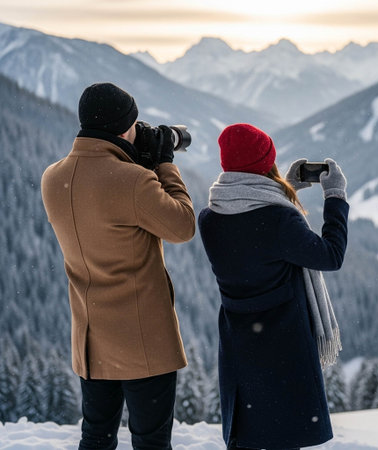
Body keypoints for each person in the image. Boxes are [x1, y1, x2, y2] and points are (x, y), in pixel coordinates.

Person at [41, 82, 195, 449]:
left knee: (96, 436)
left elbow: (101, 204)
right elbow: (183, 225)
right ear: (126, 128)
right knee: (151, 441)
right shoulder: (135, 181)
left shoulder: (53, 177)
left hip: (92, 340)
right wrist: (164, 164)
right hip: (144, 342)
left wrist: (132, 161)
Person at [198, 123, 349, 450]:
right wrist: (335, 197)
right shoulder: (280, 221)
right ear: (265, 164)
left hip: (239, 341)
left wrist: (285, 187)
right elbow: (330, 255)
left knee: (248, 434)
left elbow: (251, 231)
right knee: (284, 435)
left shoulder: (210, 217)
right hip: (283, 344)